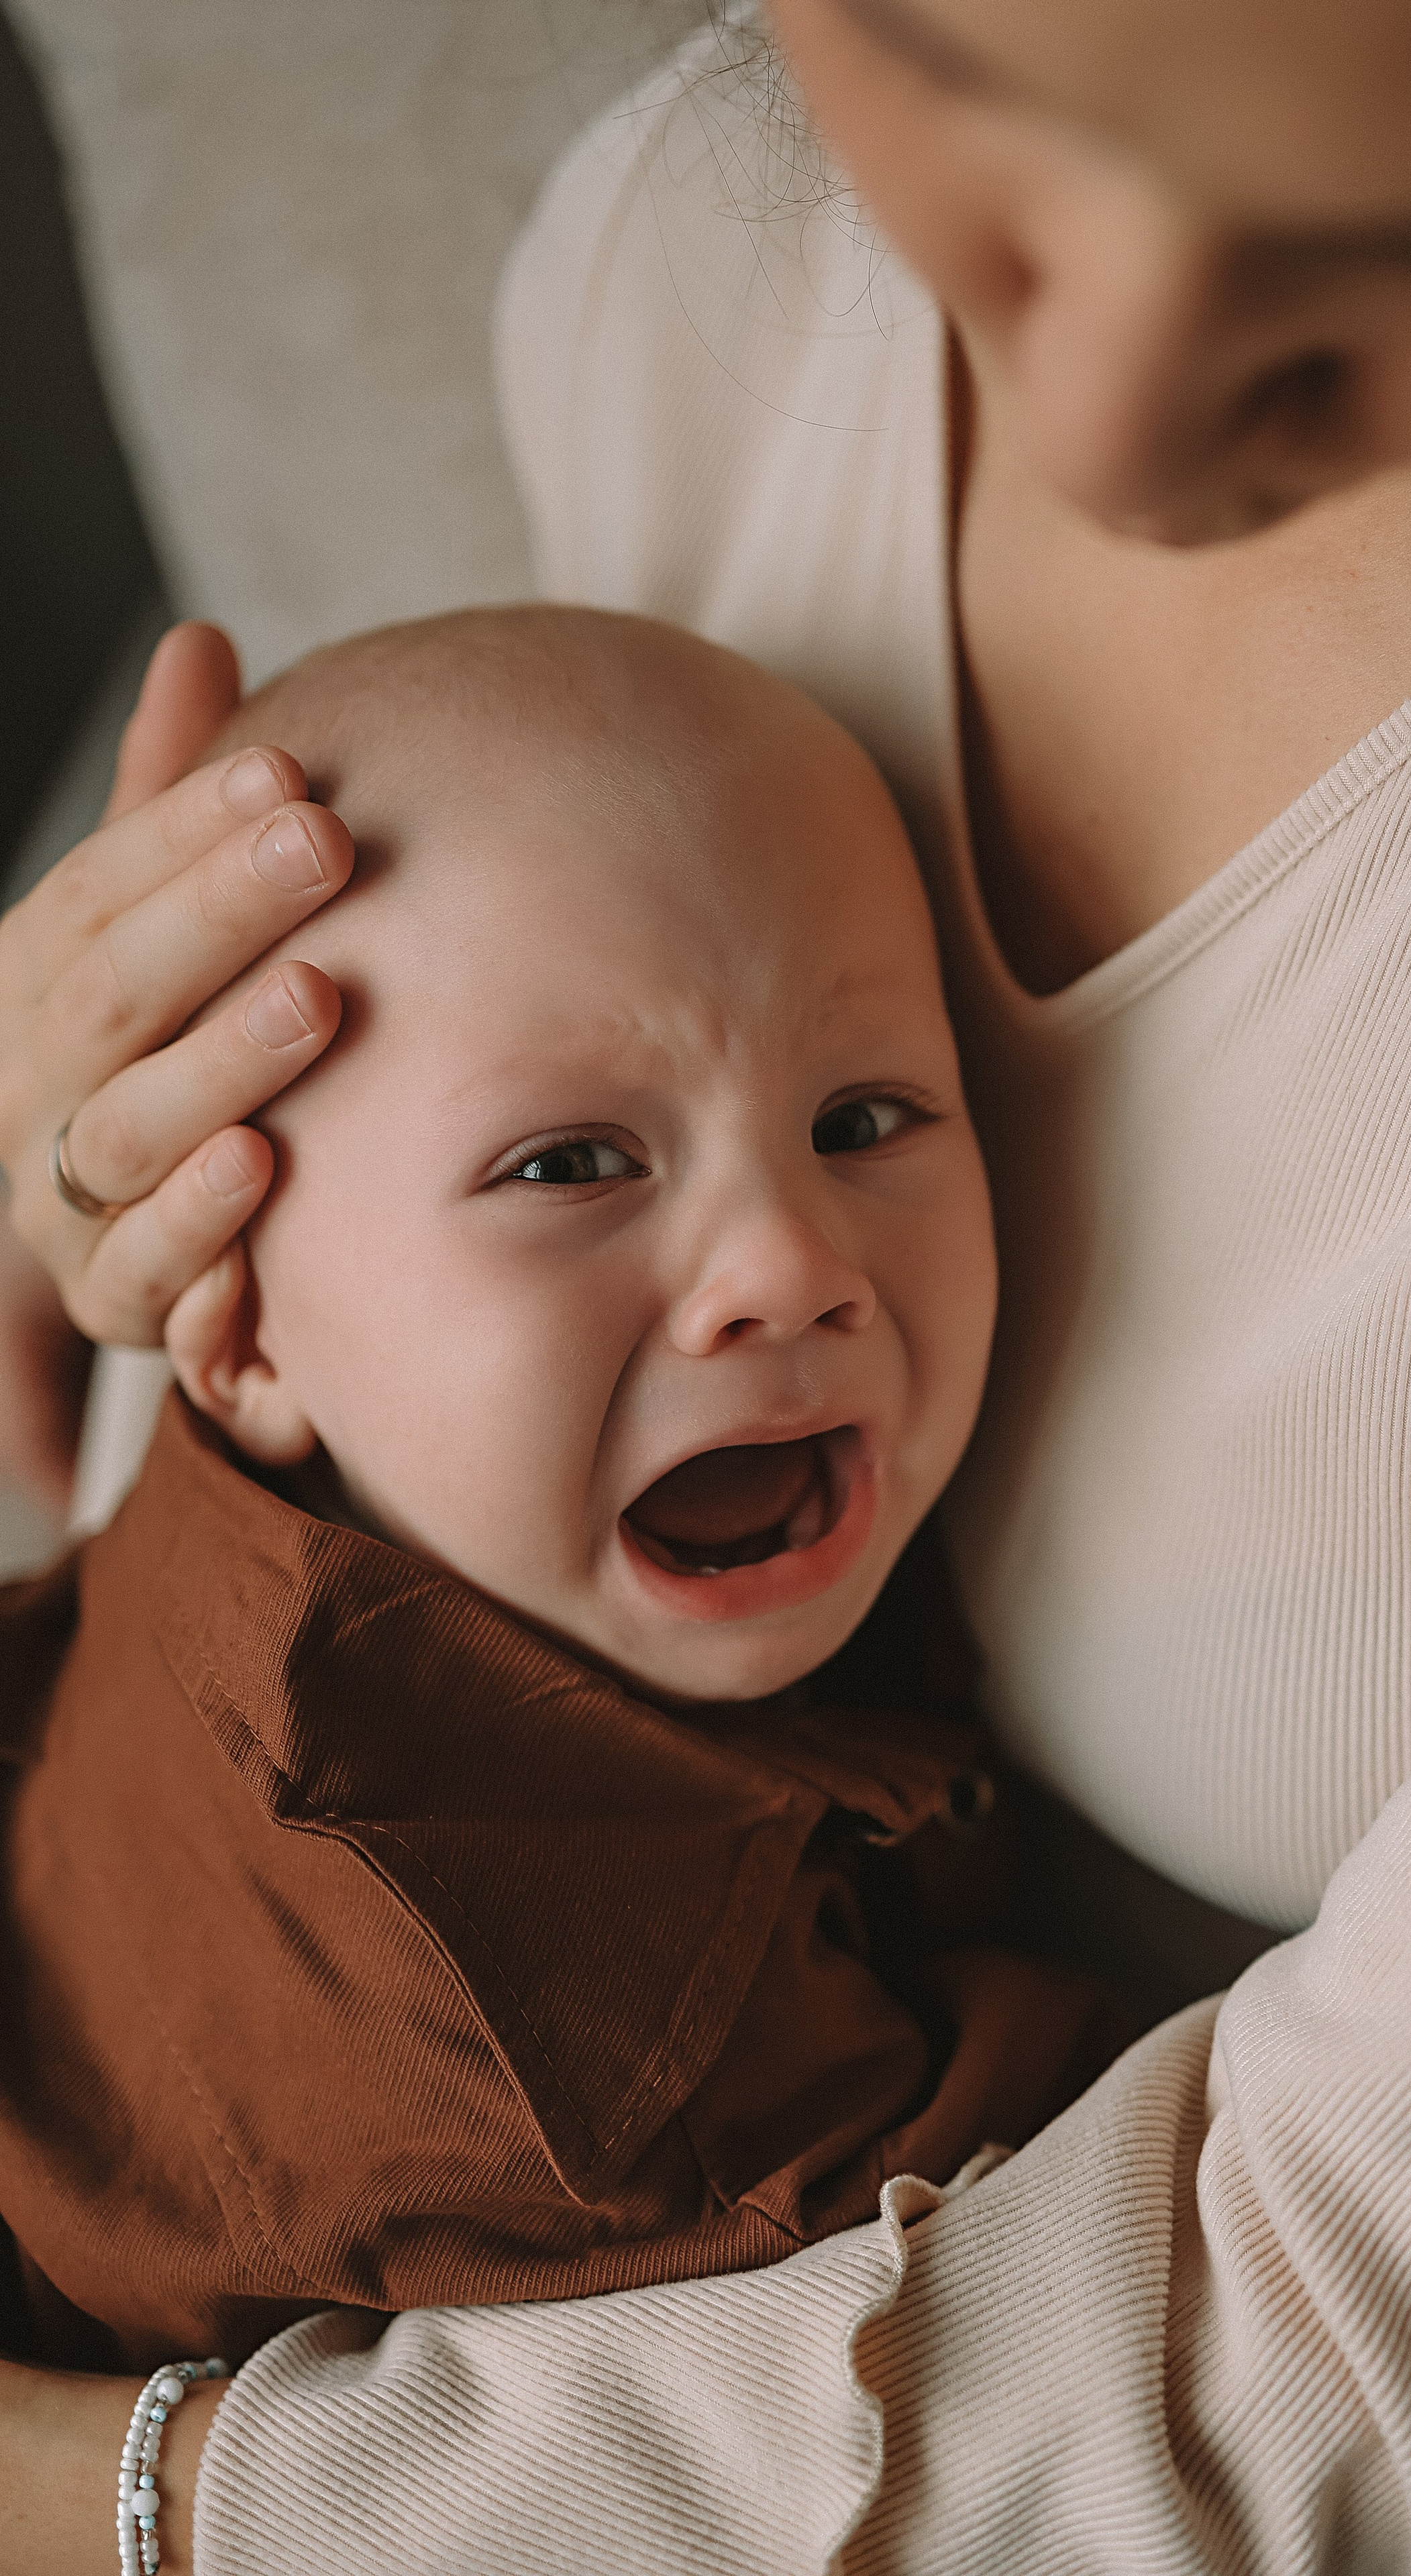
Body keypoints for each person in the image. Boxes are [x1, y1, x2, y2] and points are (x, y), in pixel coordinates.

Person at [4, 0, 1411, 2568]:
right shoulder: (689, 246)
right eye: (1003, 119)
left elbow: (1315, 2338)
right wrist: (106, 1148)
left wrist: (132, 2503)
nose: (1117, 424)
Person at [0, 604, 1111, 2379]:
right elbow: (981, 2302)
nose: (786, 1266)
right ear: (245, 1336)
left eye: (863, 1120)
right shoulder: (604, 2087)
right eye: (572, 1162)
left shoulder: (344, 1483)